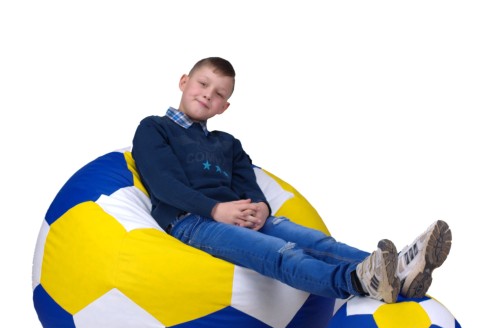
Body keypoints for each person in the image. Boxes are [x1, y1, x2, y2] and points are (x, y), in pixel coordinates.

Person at [131, 57, 451, 304]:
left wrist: (261, 209)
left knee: (320, 244)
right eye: (202, 84)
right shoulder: (154, 128)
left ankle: (400, 270)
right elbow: (164, 185)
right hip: (192, 221)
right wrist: (216, 210)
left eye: (218, 94)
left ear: (224, 107)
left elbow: (248, 185)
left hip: (239, 216)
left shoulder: (227, 143)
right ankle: (357, 281)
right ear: (184, 82)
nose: (207, 95)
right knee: (283, 252)